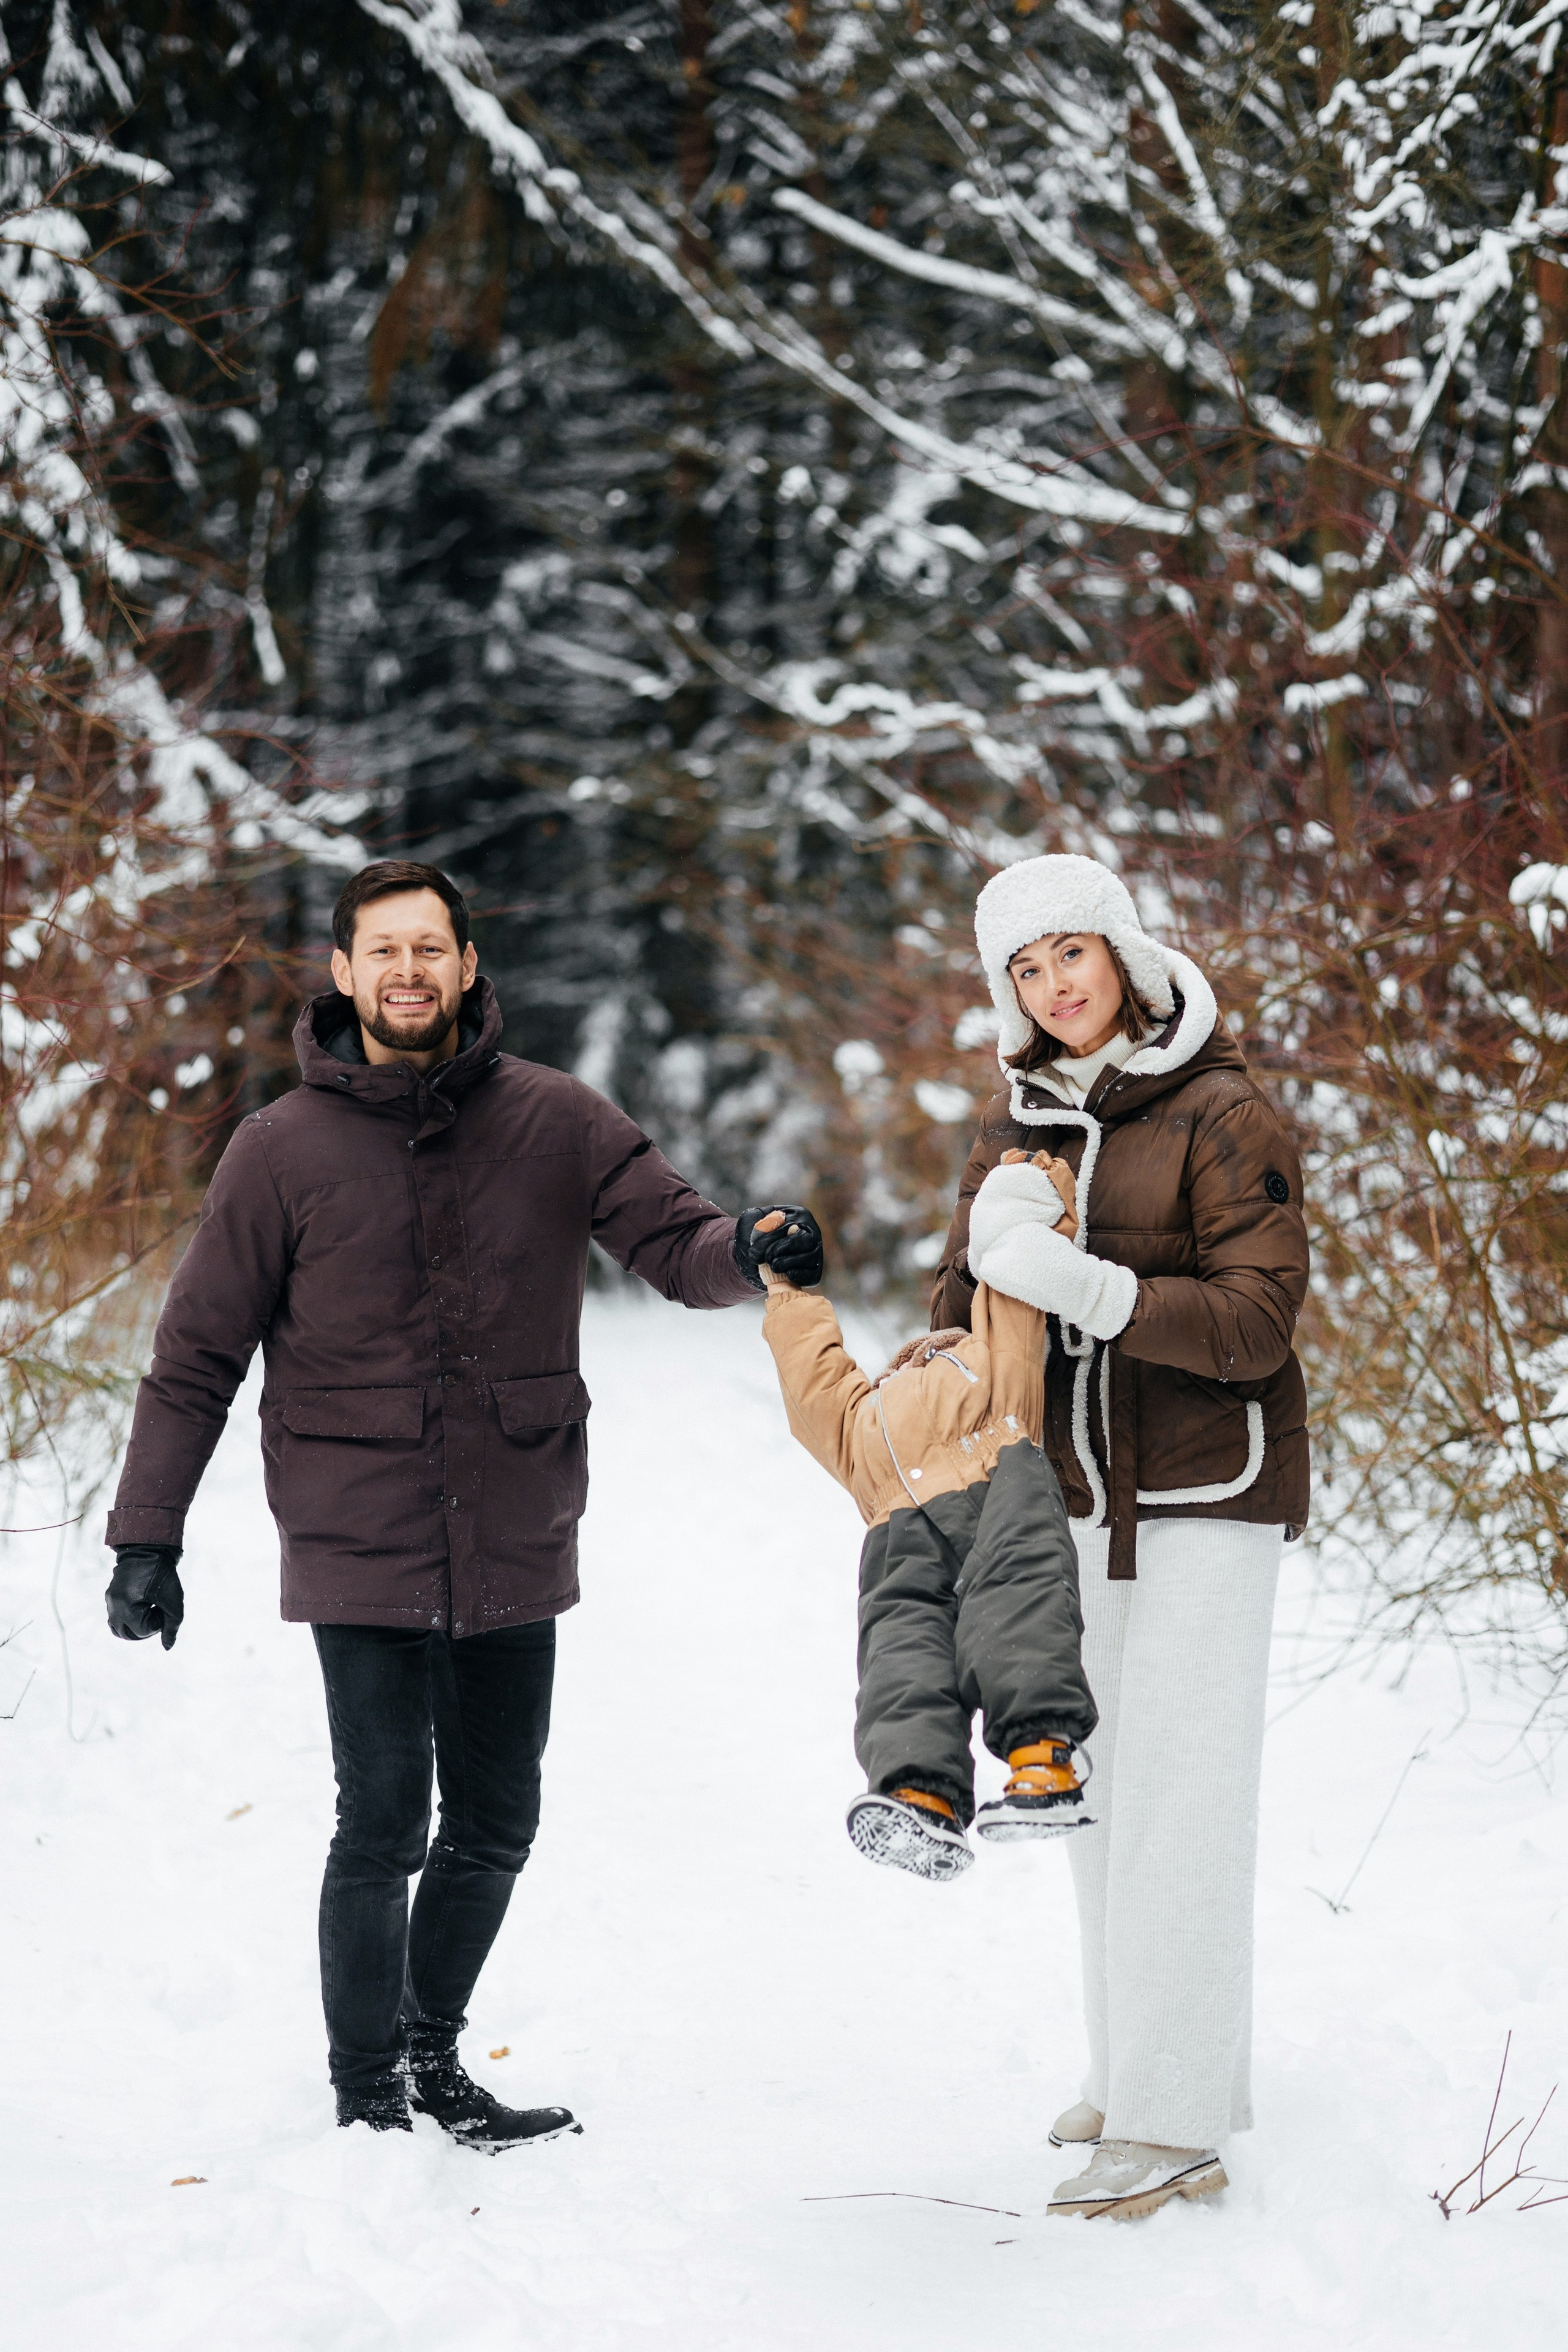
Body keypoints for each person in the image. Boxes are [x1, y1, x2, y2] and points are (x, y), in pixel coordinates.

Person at [103, 859, 823, 2146]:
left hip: (510, 1517)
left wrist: (750, 1253)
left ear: (468, 964)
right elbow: (197, 1355)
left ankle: (432, 2055)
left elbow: (674, 1242)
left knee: (495, 1821)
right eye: (382, 951)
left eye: (430, 948)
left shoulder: (556, 1121)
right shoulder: (277, 1151)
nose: (407, 972)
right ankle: (366, 2092)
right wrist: (146, 1537)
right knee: (382, 1817)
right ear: (341, 973)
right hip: (356, 1523)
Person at [929, 853, 1310, 2224]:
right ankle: (1146, 2068)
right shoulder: (1017, 1119)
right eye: (1022, 971)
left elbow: (1254, 1324)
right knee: (1093, 1800)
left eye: (1066, 955)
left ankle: (1171, 2129)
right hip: (1070, 1505)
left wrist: (1080, 1283)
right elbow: (964, 1299)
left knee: (1182, 1808)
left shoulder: (1223, 1109)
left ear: (1124, 953)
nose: (1051, 987)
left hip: (1207, 1499)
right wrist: (961, 1300)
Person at [752, 1178, 1098, 1880]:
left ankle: (1040, 1757)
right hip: (898, 1522)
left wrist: (1034, 1190)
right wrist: (786, 1293)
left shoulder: (988, 1360)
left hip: (995, 1473)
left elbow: (1014, 1282)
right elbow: (814, 1384)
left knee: (1016, 1601)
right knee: (902, 1649)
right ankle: (918, 1794)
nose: (916, 1353)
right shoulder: (866, 1414)